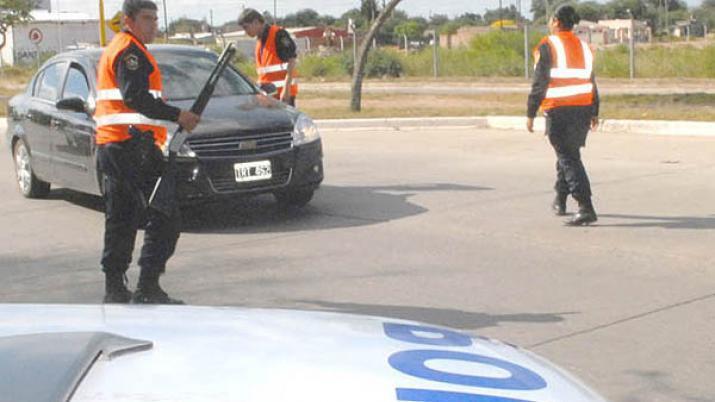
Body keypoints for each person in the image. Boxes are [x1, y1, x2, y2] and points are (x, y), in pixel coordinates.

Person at [95, 0, 200, 303]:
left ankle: (116, 288)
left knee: (122, 217)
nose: (153, 24)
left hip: (117, 144)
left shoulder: (124, 47)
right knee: (165, 215)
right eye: (146, 18)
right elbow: (136, 97)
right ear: (128, 20)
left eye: (155, 18)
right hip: (129, 145)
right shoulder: (130, 52)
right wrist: (178, 115)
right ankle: (147, 286)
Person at [526, 5, 600, 226]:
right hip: (583, 110)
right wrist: (595, 110)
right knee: (567, 154)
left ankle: (585, 206)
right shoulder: (585, 47)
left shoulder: (548, 45)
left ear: (556, 21)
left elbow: (540, 82)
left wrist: (530, 112)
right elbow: (591, 81)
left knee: (568, 158)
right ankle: (560, 198)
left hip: (559, 110)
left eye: (551, 19)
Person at [238, 8, 298, 106]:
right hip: (268, 95)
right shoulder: (260, 41)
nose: (246, 32)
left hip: (282, 95)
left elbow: (291, 61)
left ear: (256, 22)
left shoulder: (278, 34)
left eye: (246, 27)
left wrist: (286, 90)